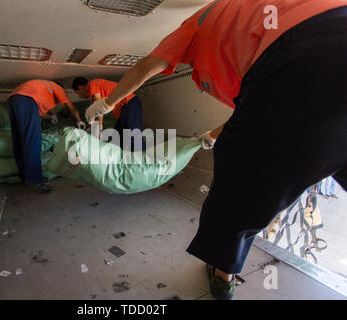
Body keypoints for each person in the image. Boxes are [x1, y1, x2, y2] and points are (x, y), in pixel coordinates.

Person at [85, 0, 347, 299]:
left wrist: (107, 102)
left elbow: (147, 67)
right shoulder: (244, 28)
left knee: (239, 189)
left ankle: (224, 273)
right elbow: (248, 109)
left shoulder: (197, 23)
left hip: (307, 49)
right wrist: (212, 135)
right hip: (328, 34)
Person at [7, 80, 86, 189]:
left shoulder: (42, 88)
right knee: (33, 141)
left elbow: (39, 104)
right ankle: (35, 180)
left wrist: (52, 114)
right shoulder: (57, 88)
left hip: (13, 100)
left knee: (20, 140)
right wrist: (79, 121)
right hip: (27, 101)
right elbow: (72, 108)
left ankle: (25, 177)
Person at [72, 77, 145, 151]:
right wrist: (91, 128)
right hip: (123, 110)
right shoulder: (93, 94)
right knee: (117, 140)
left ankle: (143, 159)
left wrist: (99, 128)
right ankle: (119, 159)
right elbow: (98, 112)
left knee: (133, 135)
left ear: (80, 88)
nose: (79, 96)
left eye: (77, 93)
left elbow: (99, 107)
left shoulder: (92, 84)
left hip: (129, 103)